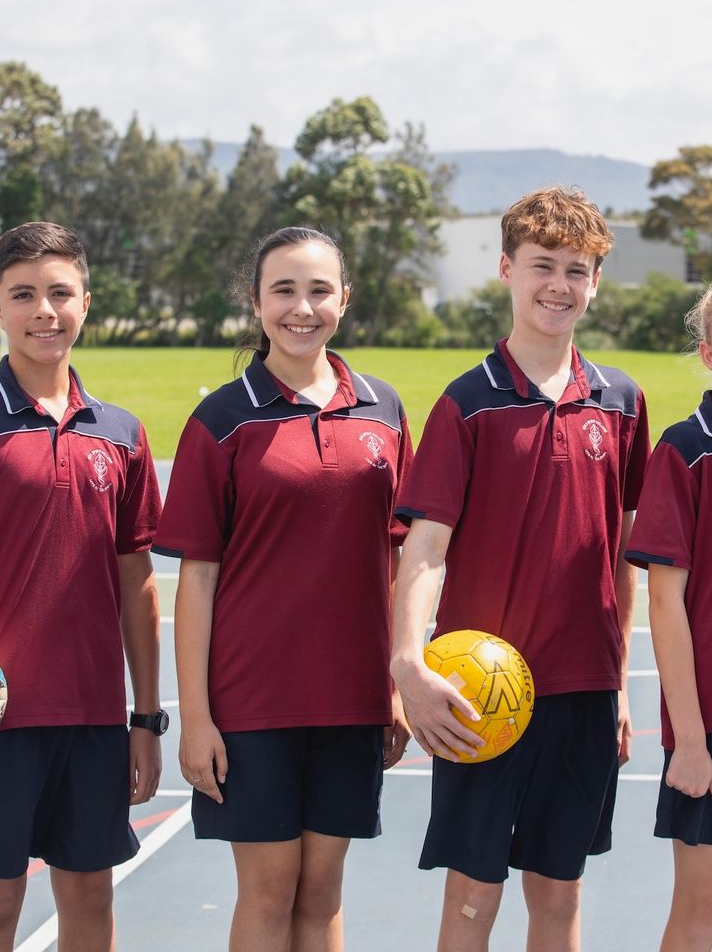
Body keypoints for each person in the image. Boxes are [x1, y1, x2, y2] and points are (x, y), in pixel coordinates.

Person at [390, 186, 650, 952]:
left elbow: (621, 558)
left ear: (596, 283)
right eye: (543, 266)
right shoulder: (466, 405)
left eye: (577, 270)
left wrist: (622, 686)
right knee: (472, 899)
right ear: (506, 269)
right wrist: (408, 664)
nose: (559, 285)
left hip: (585, 690)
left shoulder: (622, 403)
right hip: (482, 695)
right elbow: (425, 548)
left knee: (560, 899)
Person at [153, 226, 413, 952]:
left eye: (320, 290)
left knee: (323, 895)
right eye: (284, 291)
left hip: (351, 700)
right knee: (268, 895)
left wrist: (393, 683)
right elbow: (196, 579)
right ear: (256, 301)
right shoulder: (222, 421)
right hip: (252, 703)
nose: (303, 308)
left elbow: (398, 562)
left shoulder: (384, 411)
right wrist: (197, 718)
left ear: (345, 300)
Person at [0, 222, 164, 952]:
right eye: (23, 294)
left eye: (59, 293)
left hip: (94, 715)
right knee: (0, 903)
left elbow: (138, 583)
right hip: (4, 718)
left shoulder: (121, 433)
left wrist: (148, 718)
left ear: (86, 304)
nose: (44, 311)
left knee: (91, 902)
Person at [625, 271, 712, 951]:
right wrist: (693, 741)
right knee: (699, 914)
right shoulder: (686, 449)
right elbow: (665, 601)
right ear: (709, 352)